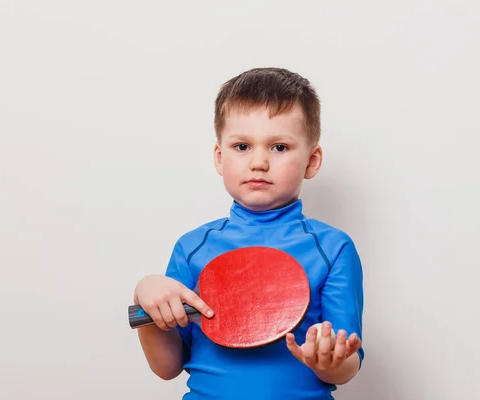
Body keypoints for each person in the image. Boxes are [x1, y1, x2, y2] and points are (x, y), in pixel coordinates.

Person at [133, 67, 364, 399]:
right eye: (242, 146)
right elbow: (167, 367)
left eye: (279, 147)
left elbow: (348, 364)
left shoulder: (333, 248)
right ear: (219, 157)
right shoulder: (192, 248)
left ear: (312, 161)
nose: (259, 162)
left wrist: (328, 361)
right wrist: (146, 298)